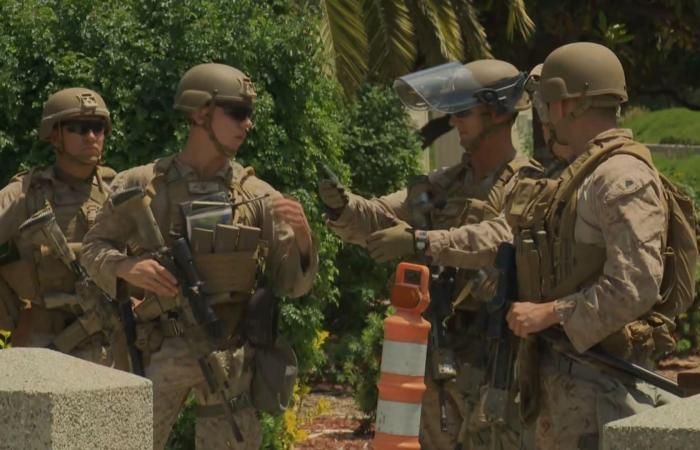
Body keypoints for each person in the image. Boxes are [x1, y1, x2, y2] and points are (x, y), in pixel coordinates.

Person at [437, 42, 696, 450]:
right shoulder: (582, 175)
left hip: (599, 394)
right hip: (565, 393)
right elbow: (507, 235)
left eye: (548, 104)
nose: (544, 118)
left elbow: (635, 286)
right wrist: (428, 241)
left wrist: (550, 312)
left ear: (569, 105)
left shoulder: (621, 178)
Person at [81, 62, 318, 449]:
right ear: (199, 113)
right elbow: (92, 248)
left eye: (250, 114)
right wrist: (127, 267)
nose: (247, 124)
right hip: (161, 349)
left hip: (229, 359)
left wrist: (304, 242)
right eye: (237, 112)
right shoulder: (142, 184)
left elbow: (293, 285)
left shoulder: (258, 195)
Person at [319, 59, 542, 450]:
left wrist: (421, 242)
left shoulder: (530, 183)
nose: (454, 121)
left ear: (497, 113)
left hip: (500, 359)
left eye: (463, 111)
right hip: (442, 353)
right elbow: (380, 217)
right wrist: (342, 207)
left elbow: (498, 239)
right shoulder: (445, 183)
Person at [0, 87, 121, 366]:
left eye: (98, 128)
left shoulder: (118, 191)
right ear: (55, 136)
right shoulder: (26, 193)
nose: (91, 136)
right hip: (43, 342)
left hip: (111, 342)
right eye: (79, 128)